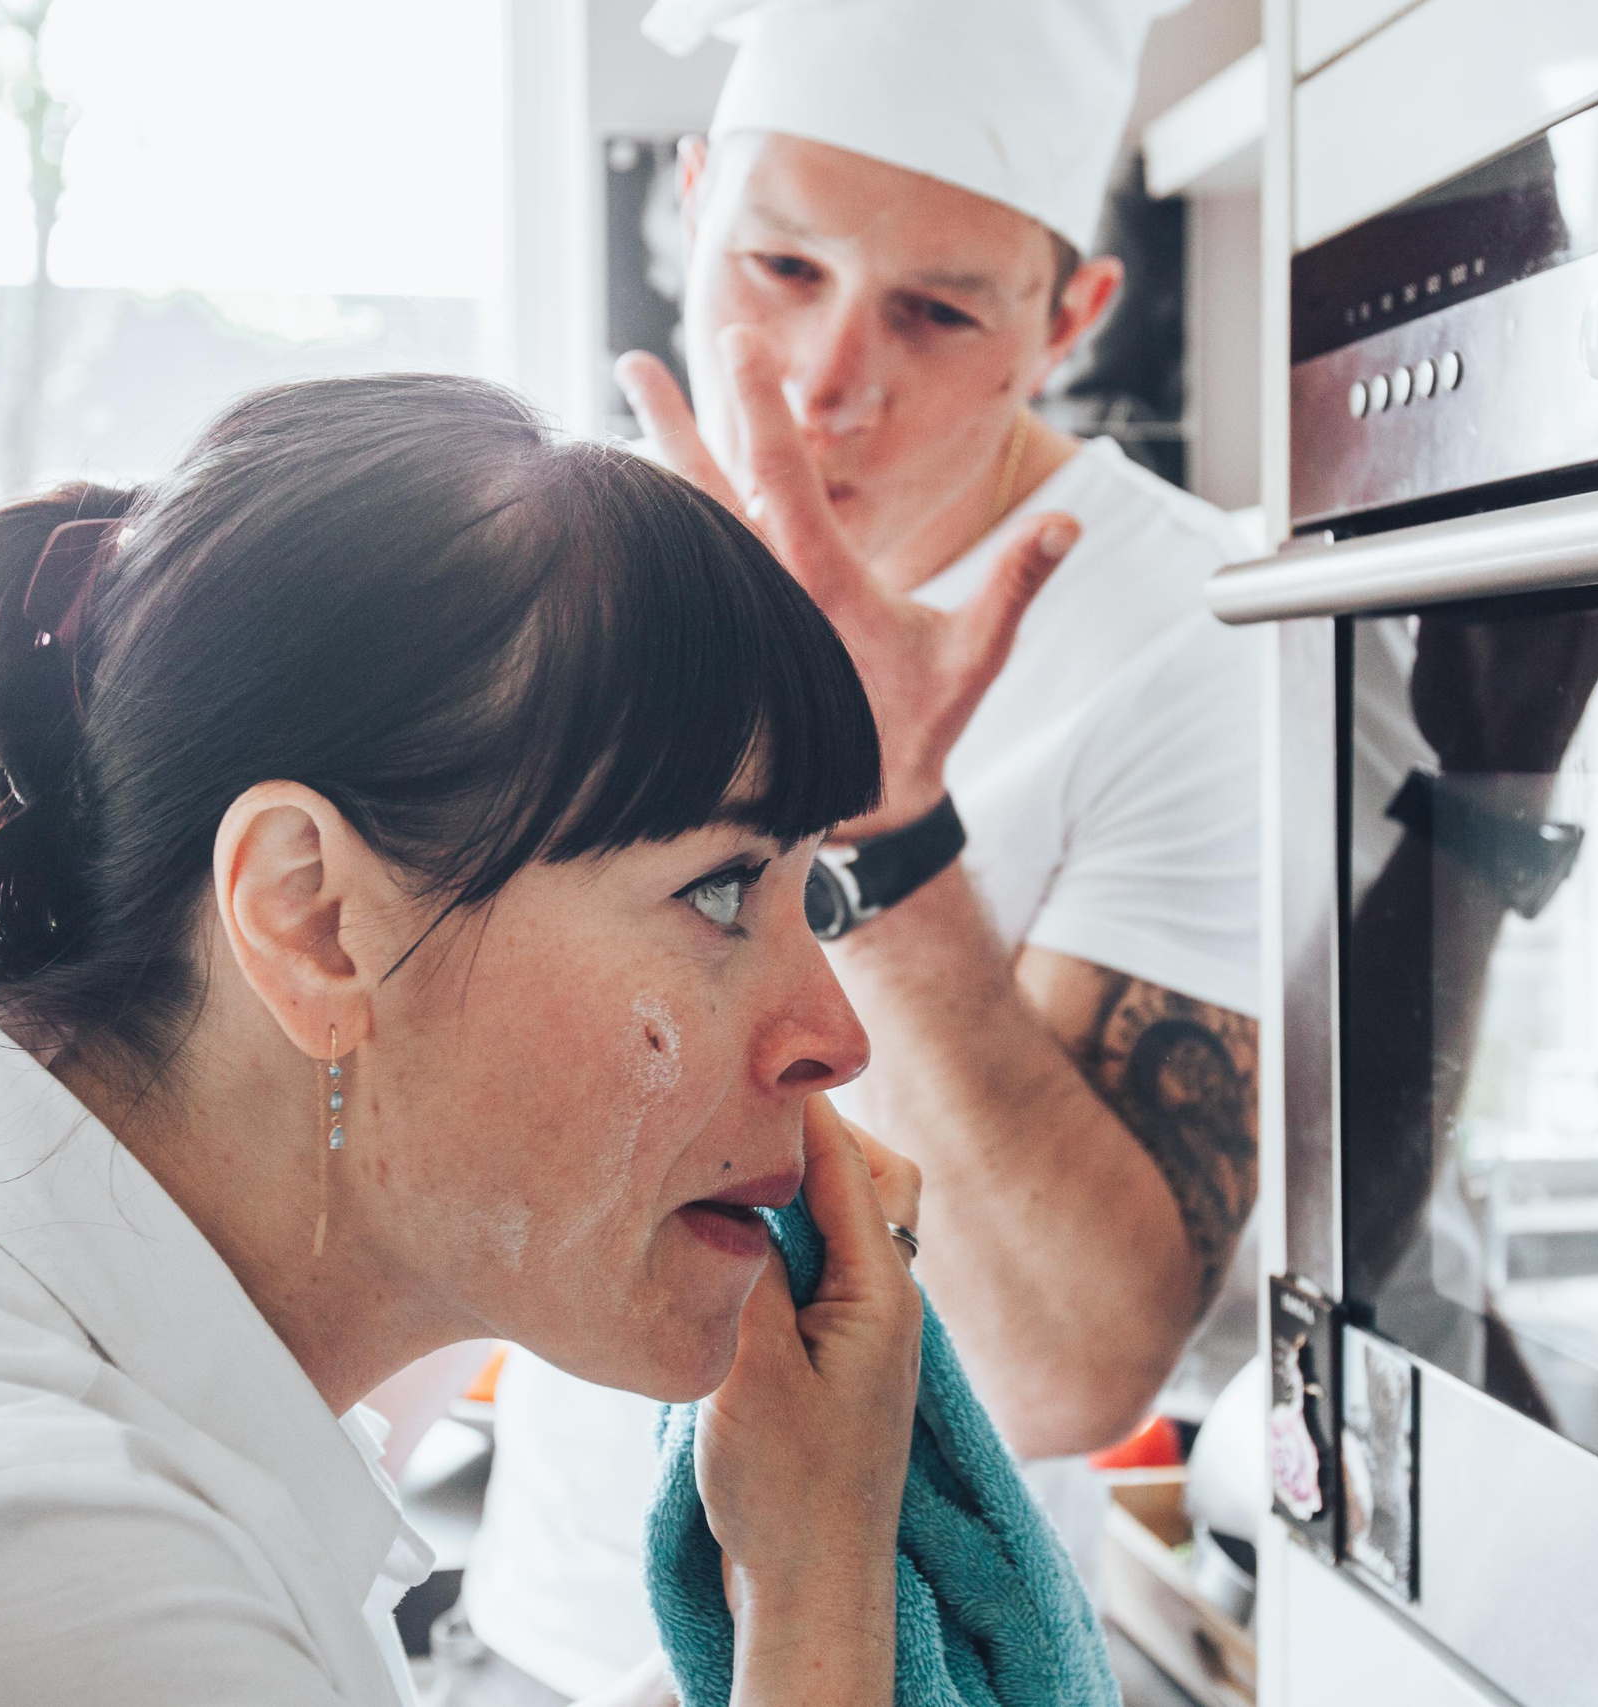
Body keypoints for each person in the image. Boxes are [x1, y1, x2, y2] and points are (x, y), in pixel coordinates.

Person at [0, 375, 939, 1707]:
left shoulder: (58, 1417)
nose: (834, 1035)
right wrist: (816, 1587)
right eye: (720, 889)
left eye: (810, 896)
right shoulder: (18, 1573)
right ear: (308, 917)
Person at [463, 1, 1266, 1695]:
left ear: (1072, 315)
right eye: (778, 267)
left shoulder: (1191, 636)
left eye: (939, 309)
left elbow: (1068, 1371)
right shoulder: (577, 562)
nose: (827, 376)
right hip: (539, 1626)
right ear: (690, 199)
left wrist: (889, 830)